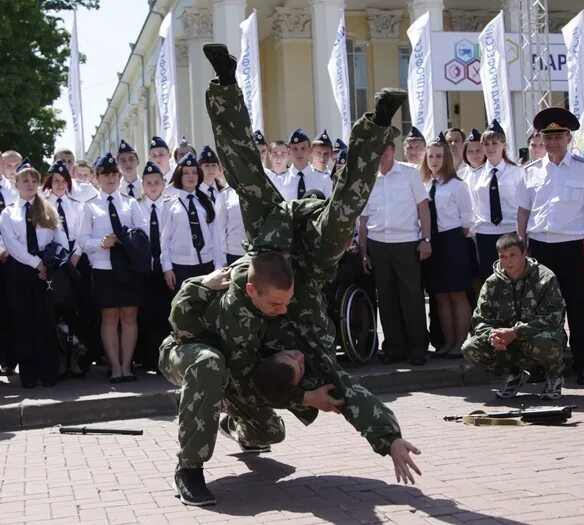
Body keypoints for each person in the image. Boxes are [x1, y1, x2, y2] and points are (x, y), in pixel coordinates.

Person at [160, 42, 418, 505]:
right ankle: (190, 468)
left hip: (276, 245)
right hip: (209, 354)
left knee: (247, 174)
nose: (285, 312)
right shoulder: (260, 319)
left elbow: (336, 388)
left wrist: (202, 284)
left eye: (283, 304)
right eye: (276, 306)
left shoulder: (253, 277)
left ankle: (226, 85)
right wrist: (384, 435)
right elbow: (343, 387)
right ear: (256, 294)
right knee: (217, 373)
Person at [516, 107, 584, 385]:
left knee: (577, 307)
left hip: (571, 246)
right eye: (547, 137)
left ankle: (583, 364)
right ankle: (543, 364)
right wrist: (522, 246)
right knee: (539, 310)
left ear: (569, 138)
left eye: (558, 137)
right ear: (541, 140)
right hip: (540, 247)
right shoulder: (530, 172)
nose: (552, 142)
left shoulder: (583, 169)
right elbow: (523, 211)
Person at [463, 233, 566, 399]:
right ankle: (514, 374)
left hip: (535, 337)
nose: (507, 261)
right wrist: (492, 336)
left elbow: (553, 317)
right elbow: (480, 319)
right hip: (506, 343)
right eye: (503, 256)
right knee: (470, 348)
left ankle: (554, 377)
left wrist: (516, 332)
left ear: (524, 253)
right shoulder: (491, 283)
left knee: (546, 342)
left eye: (512, 255)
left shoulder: (545, 278)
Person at [360, 136, 432, 366]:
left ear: (392, 149)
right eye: (378, 150)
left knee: (412, 297)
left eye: (386, 149)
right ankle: (394, 347)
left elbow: (423, 207)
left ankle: (418, 347)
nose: (383, 154)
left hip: (406, 241)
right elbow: (363, 218)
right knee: (387, 298)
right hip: (378, 243)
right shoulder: (368, 178)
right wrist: (364, 251)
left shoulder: (409, 173)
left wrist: (426, 239)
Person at [78, 153, 148, 383]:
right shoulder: (89, 207)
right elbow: (82, 240)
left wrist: (121, 237)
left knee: (129, 316)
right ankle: (115, 366)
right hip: (103, 266)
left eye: (113, 174)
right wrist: (101, 242)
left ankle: (127, 365)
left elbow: (142, 232)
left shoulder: (129, 202)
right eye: (104, 174)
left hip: (127, 267)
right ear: (97, 177)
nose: (110, 178)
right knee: (109, 317)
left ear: (119, 177)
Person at [0, 161, 67, 388]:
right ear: (16, 183)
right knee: (23, 321)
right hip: (20, 270)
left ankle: (48, 372)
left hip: (45, 271)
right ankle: (28, 374)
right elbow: (12, 244)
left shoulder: (48, 208)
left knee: (45, 321)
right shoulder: (8, 213)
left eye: (33, 180)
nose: (30, 184)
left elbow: (60, 239)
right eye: (25, 180)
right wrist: (34, 262)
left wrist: (49, 264)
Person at [420, 133, 473, 359]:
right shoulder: (423, 184)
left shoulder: (457, 185)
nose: (434, 160)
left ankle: (460, 343)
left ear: (447, 159)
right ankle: (447, 342)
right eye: (430, 156)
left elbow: (467, 220)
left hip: (453, 240)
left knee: (457, 294)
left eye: (439, 156)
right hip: (432, 241)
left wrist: (455, 241)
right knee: (440, 295)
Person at [41, 161, 88, 379]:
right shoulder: (42, 206)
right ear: (50, 183)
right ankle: (60, 359)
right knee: (55, 313)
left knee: (74, 312)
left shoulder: (78, 204)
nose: (60, 185)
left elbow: (82, 234)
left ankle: (75, 359)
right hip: (53, 266)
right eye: (56, 181)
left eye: (64, 181)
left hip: (74, 262)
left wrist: (74, 260)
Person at [467, 119, 523, 280]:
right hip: (486, 233)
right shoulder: (476, 175)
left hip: (511, 232)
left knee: (515, 278)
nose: (490, 147)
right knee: (491, 279)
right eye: (486, 144)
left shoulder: (517, 172)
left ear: (503, 144)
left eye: (494, 143)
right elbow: (472, 206)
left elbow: (524, 205)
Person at [160, 153, 219, 295]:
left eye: (194, 172)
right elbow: (164, 239)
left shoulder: (206, 201)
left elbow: (215, 236)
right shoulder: (169, 203)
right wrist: (167, 268)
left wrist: (218, 265)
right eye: (186, 173)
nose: (190, 176)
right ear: (179, 176)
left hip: (206, 263)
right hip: (180, 266)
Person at [136, 161, 170, 373]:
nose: (153, 186)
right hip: (145, 268)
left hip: (167, 266)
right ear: (143, 185)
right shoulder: (136, 206)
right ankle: (149, 358)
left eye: (157, 182)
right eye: (148, 183)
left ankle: (166, 359)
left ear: (163, 183)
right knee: (147, 314)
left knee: (166, 312)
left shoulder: (171, 205)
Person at [0, 158, 19, 376]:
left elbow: (16, 223)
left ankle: (9, 359)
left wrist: (6, 249)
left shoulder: (12, 190)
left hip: (10, 257)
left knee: (9, 310)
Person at [279, 129, 332, 200]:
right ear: (289, 152)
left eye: (303, 148)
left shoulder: (324, 179)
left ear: (310, 151)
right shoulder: (280, 179)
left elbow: (329, 208)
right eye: (295, 149)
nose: (299, 153)